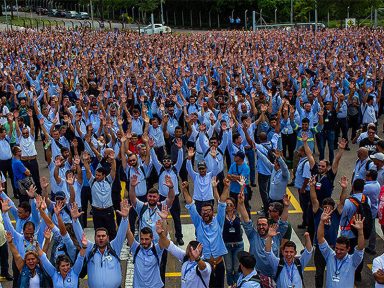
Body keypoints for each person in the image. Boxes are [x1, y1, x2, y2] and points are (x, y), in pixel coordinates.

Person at [181, 177, 230, 288]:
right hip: (204, 265)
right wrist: (184, 190)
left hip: (219, 264)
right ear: (201, 213)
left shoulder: (219, 220)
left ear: (213, 212)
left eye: (208, 211)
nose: (206, 213)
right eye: (203, 212)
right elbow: (191, 205)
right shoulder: (198, 222)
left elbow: (222, 203)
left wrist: (226, 187)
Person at [71, 200, 129, 288]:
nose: (101, 238)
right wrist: (75, 220)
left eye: (103, 236)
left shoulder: (115, 247)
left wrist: (124, 219)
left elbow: (122, 233)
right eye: (98, 236)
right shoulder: (89, 249)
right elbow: (80, 237)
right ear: (94, 238)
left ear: (108, 238)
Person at [237, 190, 289, 286]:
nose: (261, 227)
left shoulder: (276, 235)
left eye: (264, 225)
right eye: (259, 225)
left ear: (268, 226)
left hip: (273, 277)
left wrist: (286, 207)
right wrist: (241, 204)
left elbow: (283, 223)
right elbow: (246, 220)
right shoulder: (252, 235)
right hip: (257, 278)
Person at [309, 175, 349, 288]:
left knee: (336, 272)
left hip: (333, 248)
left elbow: (342, 202)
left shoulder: (336, 215)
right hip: (320, 249)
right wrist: (312, 186)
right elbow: (314, 200)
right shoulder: (318, 214)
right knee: (319, 273)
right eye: (324, 207)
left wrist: (344, 188)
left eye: (329, 207)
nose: (327, 209)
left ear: (333, 208)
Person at [157, 218, 212, 288]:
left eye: (187, 248)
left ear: (191, 251)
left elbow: (203, 268)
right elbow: (170, 246)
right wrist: (160, 234)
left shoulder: (205, 264)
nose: (185, 249)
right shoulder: (185, 257)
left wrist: (197, 258)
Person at [317, 208, 365, 287]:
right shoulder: (329, 255)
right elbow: (320, 238)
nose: (338, 251)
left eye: (341, 249)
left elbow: (360, 248)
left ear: (348, 249)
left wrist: (360, 231)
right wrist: (322, 221)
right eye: (336, 248)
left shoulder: (353, 260)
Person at [81, 151, 117, 239]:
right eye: (96, 175)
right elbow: (88, 171)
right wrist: (85, 161)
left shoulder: (109, 180)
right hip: (97, 212)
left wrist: (113, 160)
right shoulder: (92, 182)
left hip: (108, 211)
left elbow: (113, 170)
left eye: (99, 175)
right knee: (98, 233)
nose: (96, 176)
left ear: (104, 175)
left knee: (112, 232)